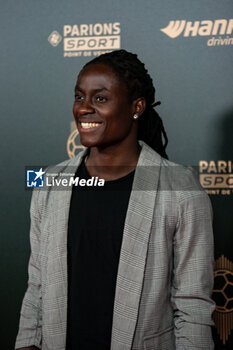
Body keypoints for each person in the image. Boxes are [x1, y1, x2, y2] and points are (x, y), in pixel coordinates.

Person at [15, 49, 215, 350]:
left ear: (136, 107)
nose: (84, 109)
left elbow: (192, 307)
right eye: (79, 97)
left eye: (100, 98)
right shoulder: (49, 183)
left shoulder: (179, 189)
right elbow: (37, 288)